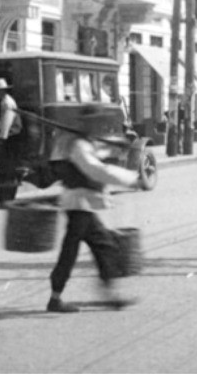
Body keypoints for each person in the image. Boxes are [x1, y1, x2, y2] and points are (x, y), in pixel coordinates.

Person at [46, 106, 141, 313]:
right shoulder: (78, 145)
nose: (98, 126)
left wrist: (119, 146)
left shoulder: (83, 142)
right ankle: (58, 298)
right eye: (95, 122)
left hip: (83, 205)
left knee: (100, 246)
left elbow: (99, 151)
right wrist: (131, 179)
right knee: (77, 251)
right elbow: (96, 169)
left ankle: (108, 295)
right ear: (86, 123)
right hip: (79, 205)